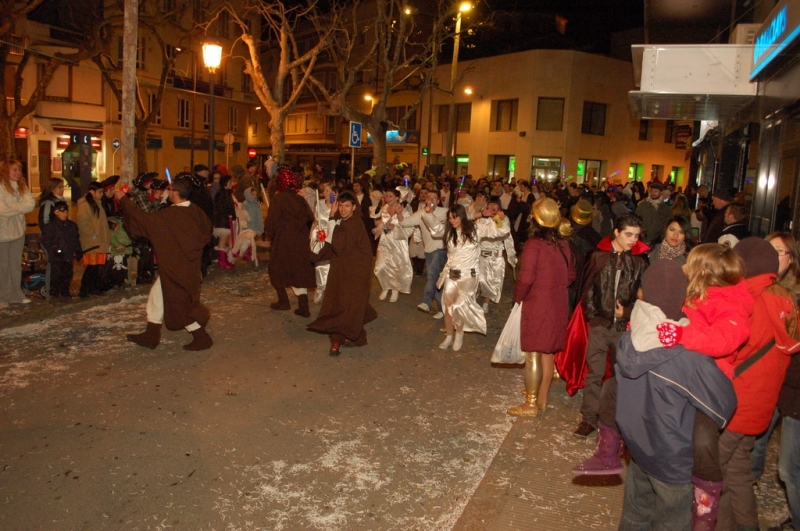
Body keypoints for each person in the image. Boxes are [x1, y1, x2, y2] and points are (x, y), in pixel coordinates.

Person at [616, 260, 737, 531]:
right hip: (672, 460)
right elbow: (723, 405)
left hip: (638, 449)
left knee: (635, 517)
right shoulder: (687, 357)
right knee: (671, 523)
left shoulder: (629, 338)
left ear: (644, 293)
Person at [714, 238, 800, 531]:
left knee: (712, 475)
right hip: (761, 408)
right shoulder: (785, 299)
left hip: (735, 405)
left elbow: (731, 350)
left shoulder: (749, 301)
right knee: (737, 474)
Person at [566, 213, 649, 439]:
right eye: (628, 235)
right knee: (595, 372)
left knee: (622, 375)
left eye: (636, 236)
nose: (633, 240)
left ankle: (616, 420)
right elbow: (588, 288)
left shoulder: (640, 260)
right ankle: (589, 418)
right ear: (616, 232)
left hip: (625, 328)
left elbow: (645, 296)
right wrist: (594, 315)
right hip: (600, 326)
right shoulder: (598, 255)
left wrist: (628, 313)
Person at [117, 177, 214, 350]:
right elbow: (204, 234)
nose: (168, 192)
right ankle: (151, 334)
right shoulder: (196, 212)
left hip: (175, 269)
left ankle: (201, 337)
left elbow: (143, 221)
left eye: (170, 189)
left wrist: (123, 200)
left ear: (176, 192)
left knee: (178, 306)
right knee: (157, 295)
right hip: (188, 267)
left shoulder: (170, 216)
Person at [506, 198, 574, 417]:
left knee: (533, 355)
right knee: (548, 354)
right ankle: (542, 400)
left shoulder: (534, 245)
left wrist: (518, 297)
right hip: (558, 304)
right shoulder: (563, 244)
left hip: (538, 304)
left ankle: (530, 404)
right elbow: (571, 275)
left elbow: (525, 279)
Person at [422, 203, 509, 351]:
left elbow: (498, 232)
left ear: (462, 216)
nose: (453, 221)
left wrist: (499, 220)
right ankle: (449, 336)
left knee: (459, 306)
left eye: (455, 218)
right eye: (450, 218)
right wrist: (429, 215)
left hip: (468, 276)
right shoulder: (449, 232)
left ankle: (459, 334)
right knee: (448, 307)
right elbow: (436, 229)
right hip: (451, 275)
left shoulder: (476, 230)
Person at [307, 191, 378, 356]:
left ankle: (339, 339)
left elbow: (338, 244)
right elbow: (333, 244)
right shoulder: (343, 222)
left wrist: (332, 218)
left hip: (354, 274)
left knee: (346, 306)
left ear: (354, 207)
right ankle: (341, 337)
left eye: (347, 206)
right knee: (339, 303)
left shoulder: (355, 224)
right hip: (340, 271)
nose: (344, 209)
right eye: (341, 205)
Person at [264, 168, 316, 317]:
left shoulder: (278, 200)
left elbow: (272, 222)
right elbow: (310, 218)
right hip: (299, 241)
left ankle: (283, 300)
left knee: (276, 270)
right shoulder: (300, 199)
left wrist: (272, 234)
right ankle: (303, 306)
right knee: (298, 271)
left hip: (283, 241)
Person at [397, 189, 448, 319]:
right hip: (428, 250)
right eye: (428, 197)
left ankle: (426, 302)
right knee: (435, 279)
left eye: (433, 197)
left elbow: (462, 216)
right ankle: (443, 309)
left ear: (437, 201)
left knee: (431, 275)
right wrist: (399, 213)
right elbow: (404, 222)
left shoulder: (444, 212)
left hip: (441, 249)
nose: (430, 199)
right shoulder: (420, 213)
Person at [477, 198, 517, 313]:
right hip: (481, 255)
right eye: (490, 204)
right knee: (480, 280)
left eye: (495, 204)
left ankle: (486, 303)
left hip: (496, 256)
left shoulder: (504, 219)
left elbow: (508, 238)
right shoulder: (481, 220)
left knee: (491, 282)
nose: (493, 206)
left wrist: (511, 254)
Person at [373, 189, 413, 302]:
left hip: (398, 242)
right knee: (381, 265)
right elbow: (383, 223)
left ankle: (395, 289)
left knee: (396, 266)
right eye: (386, 196)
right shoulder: (384, 208)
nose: (388, 198)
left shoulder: (403, 210)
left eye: (390, 196)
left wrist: (395, 228)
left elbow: (409, 227)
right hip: (385, 240)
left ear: (397, 198)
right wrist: (377, 230)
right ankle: (385, 286)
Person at [40, 201, 82, 300]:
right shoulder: (51, 226)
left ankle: (65, 292)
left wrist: (78, 250)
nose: (65, 214)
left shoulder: (71, 225)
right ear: (56, 212)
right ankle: (54, 293)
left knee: (67, 275)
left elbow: (75, 239)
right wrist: (54, 249)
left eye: (66, 211)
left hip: (68, 255)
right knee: (56, 275)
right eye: (62, 211)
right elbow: (46, 240)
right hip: (57, 257)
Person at [77, 182, 110, 298]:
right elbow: (82, 222)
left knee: (97, 267)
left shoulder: (97, 203)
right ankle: (84, 289)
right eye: (100, 192)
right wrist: (93, 234)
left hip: (99, 241)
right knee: (92, 267)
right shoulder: (85, 205)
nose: (102, 194)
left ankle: (92, 288)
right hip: (92, 242)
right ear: (92, 191)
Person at [310, 182, 336, 304]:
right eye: (326, 191)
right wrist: (314, 234)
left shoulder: (338, 205)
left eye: (330, 190)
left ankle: (332, 290)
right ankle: (320, 288)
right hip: (320, 235)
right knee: (321, 264)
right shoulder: (319, 204)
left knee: (333, 265)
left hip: (334, 235)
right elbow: (316, 221)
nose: (328, 193)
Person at [213, 175, 236, 269]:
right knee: (222, 241)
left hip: (225, 220)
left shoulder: (225, 193)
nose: (232, 184)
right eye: (230, 182)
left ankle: (224, 259)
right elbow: (223, 208)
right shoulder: (222, 194)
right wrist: (230, 215)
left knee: (224, 240)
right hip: (222, 221)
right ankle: (221, 261)